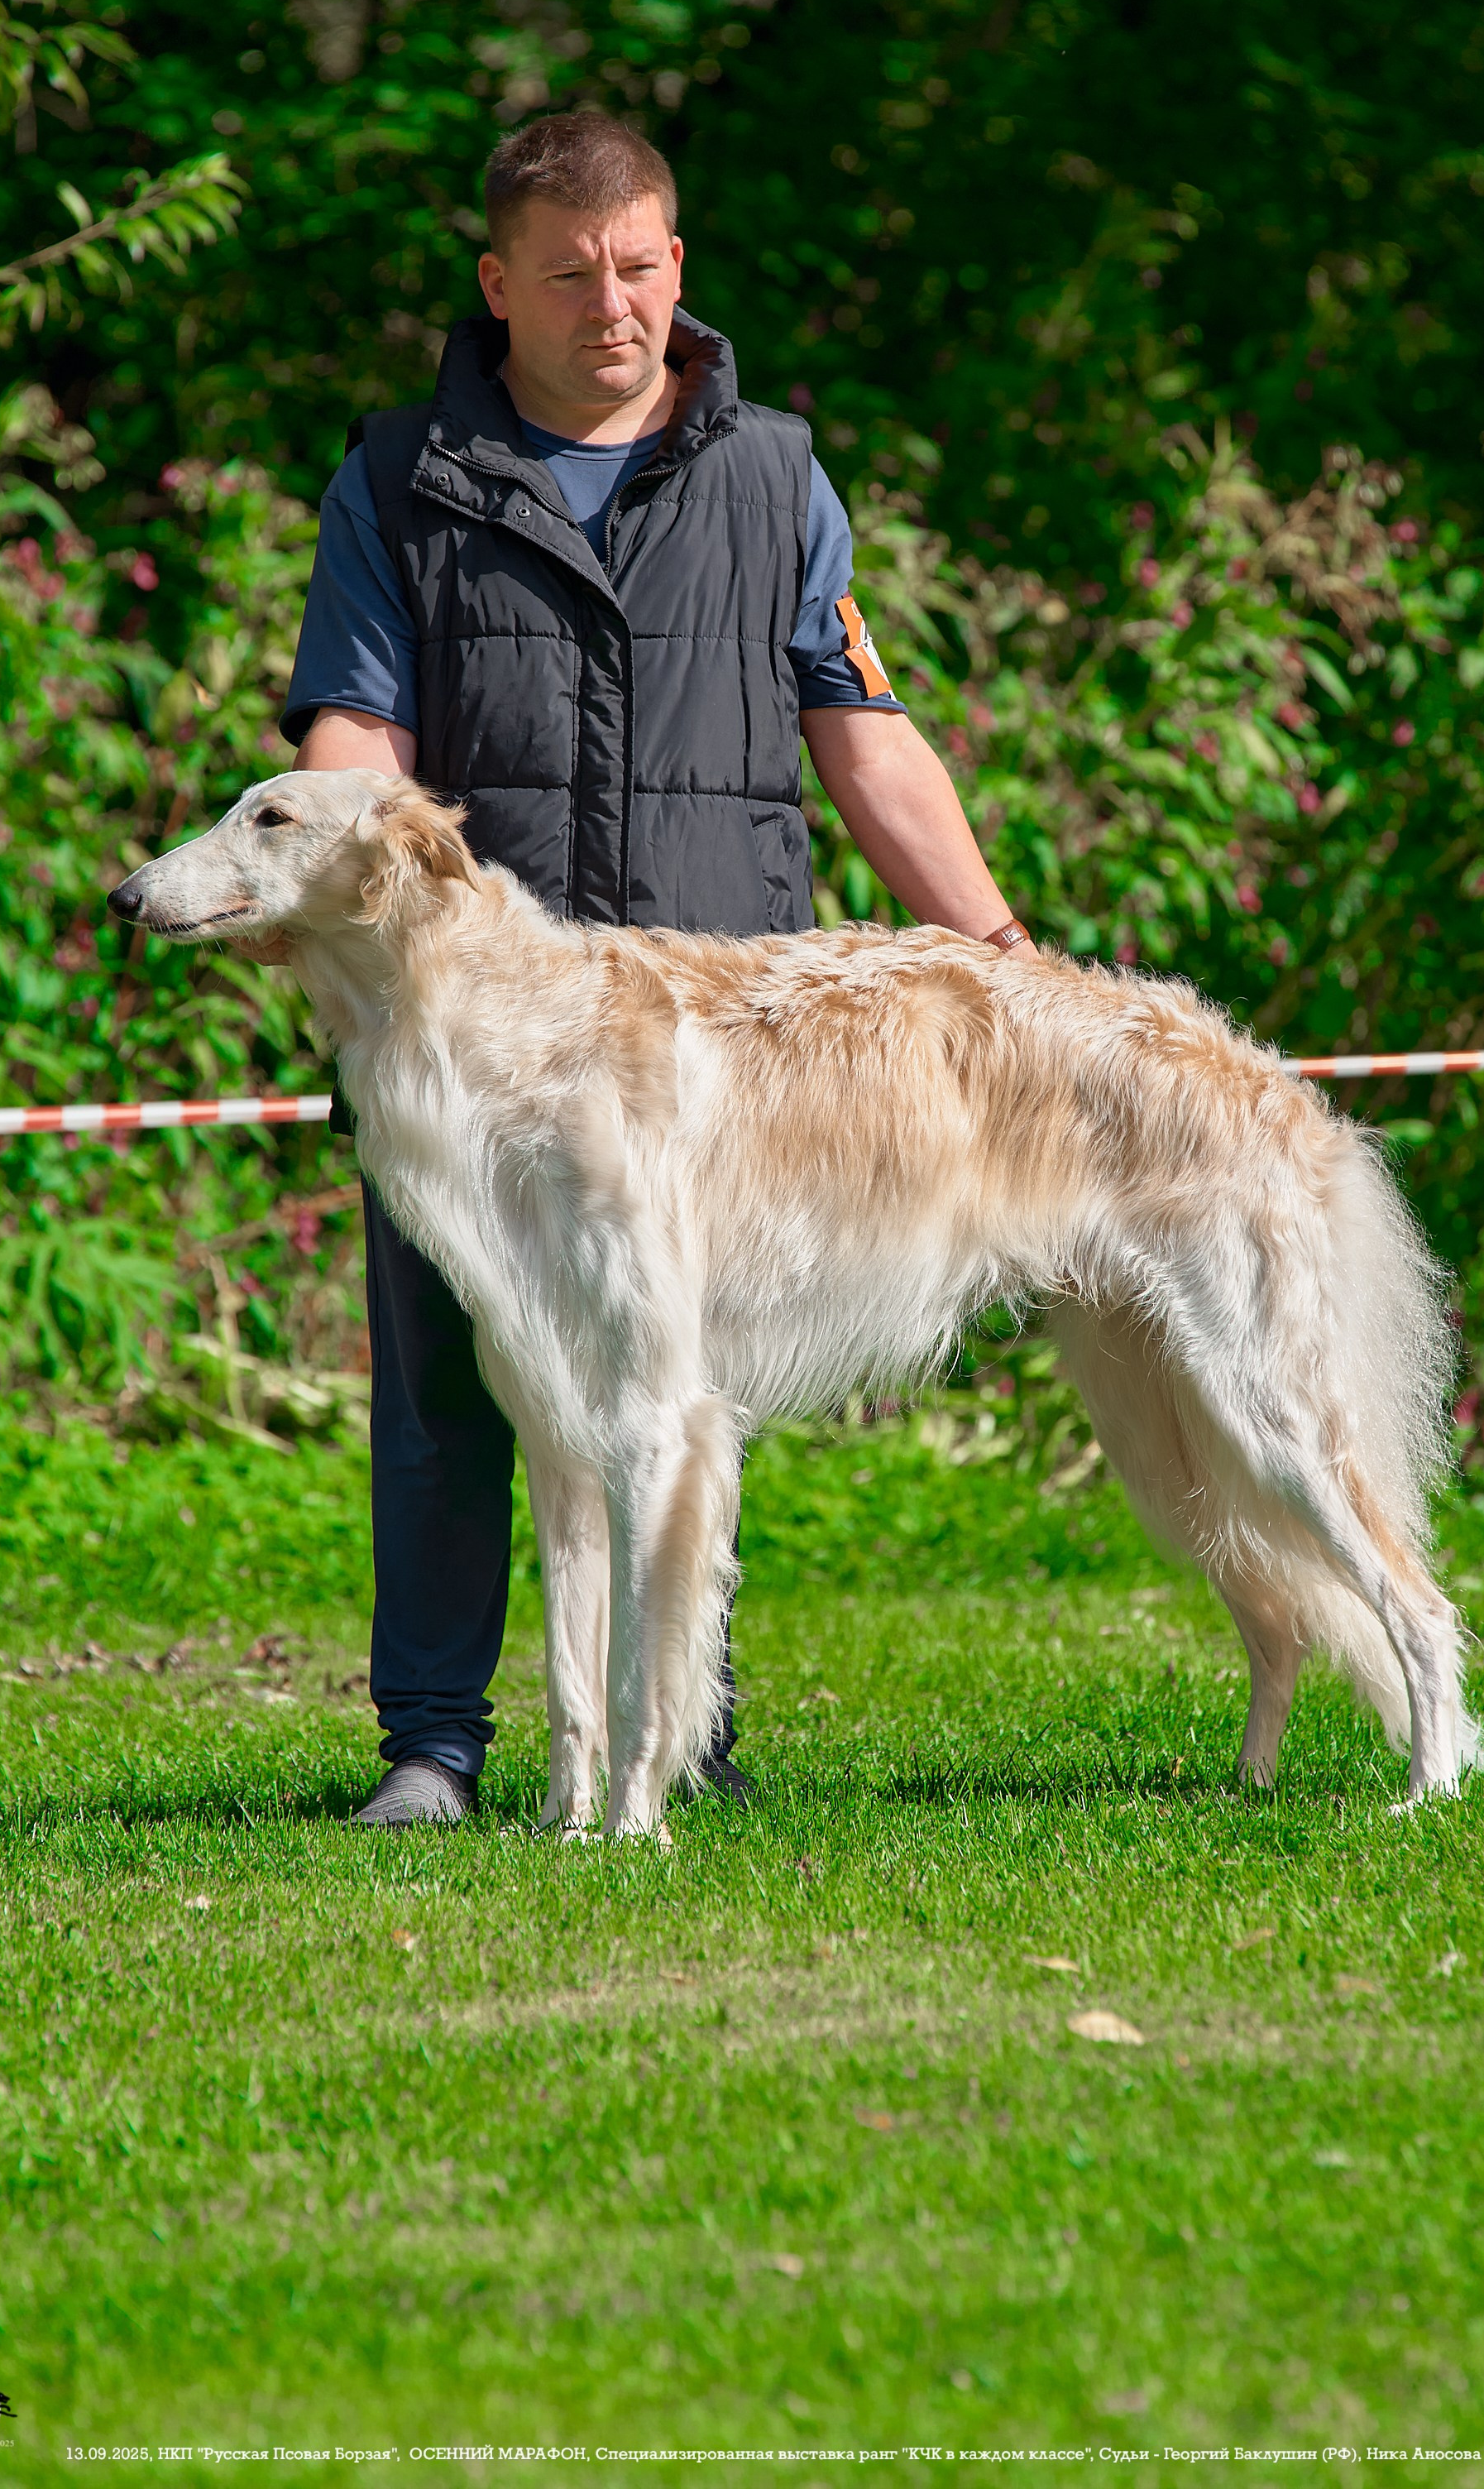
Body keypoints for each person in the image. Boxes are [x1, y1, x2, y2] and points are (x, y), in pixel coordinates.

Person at [282, 108, 1025, 1828]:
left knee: (675, 1384)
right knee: (460, 1383)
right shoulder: (399, 476)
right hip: (475, 1042)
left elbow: (872, 741)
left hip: (714, 1047)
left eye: (638, 267)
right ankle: (436, 1743)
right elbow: (354, 730)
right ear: (498, 285)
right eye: (568, 275)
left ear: (676, 263)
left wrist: (996, 951)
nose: (611, 305)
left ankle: (679, 1729)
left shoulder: (774, 474)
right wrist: (312, 868)